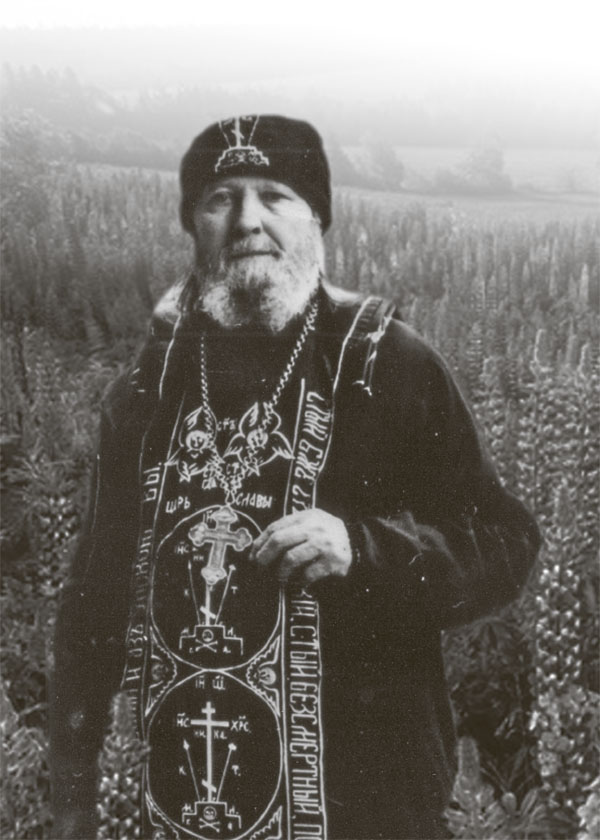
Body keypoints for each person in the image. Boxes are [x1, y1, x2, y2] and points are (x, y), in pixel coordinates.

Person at [50, 114, 540, 840]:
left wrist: (365, 550)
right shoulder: (148, 385)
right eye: (220, 199)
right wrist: (73, 785)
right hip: (172, 799)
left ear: (317, 219)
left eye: (276, 195)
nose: (248, 220)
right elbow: (94, 596)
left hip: (362, 801)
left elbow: (505, 540)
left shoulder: (388, 362)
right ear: (194, 225)